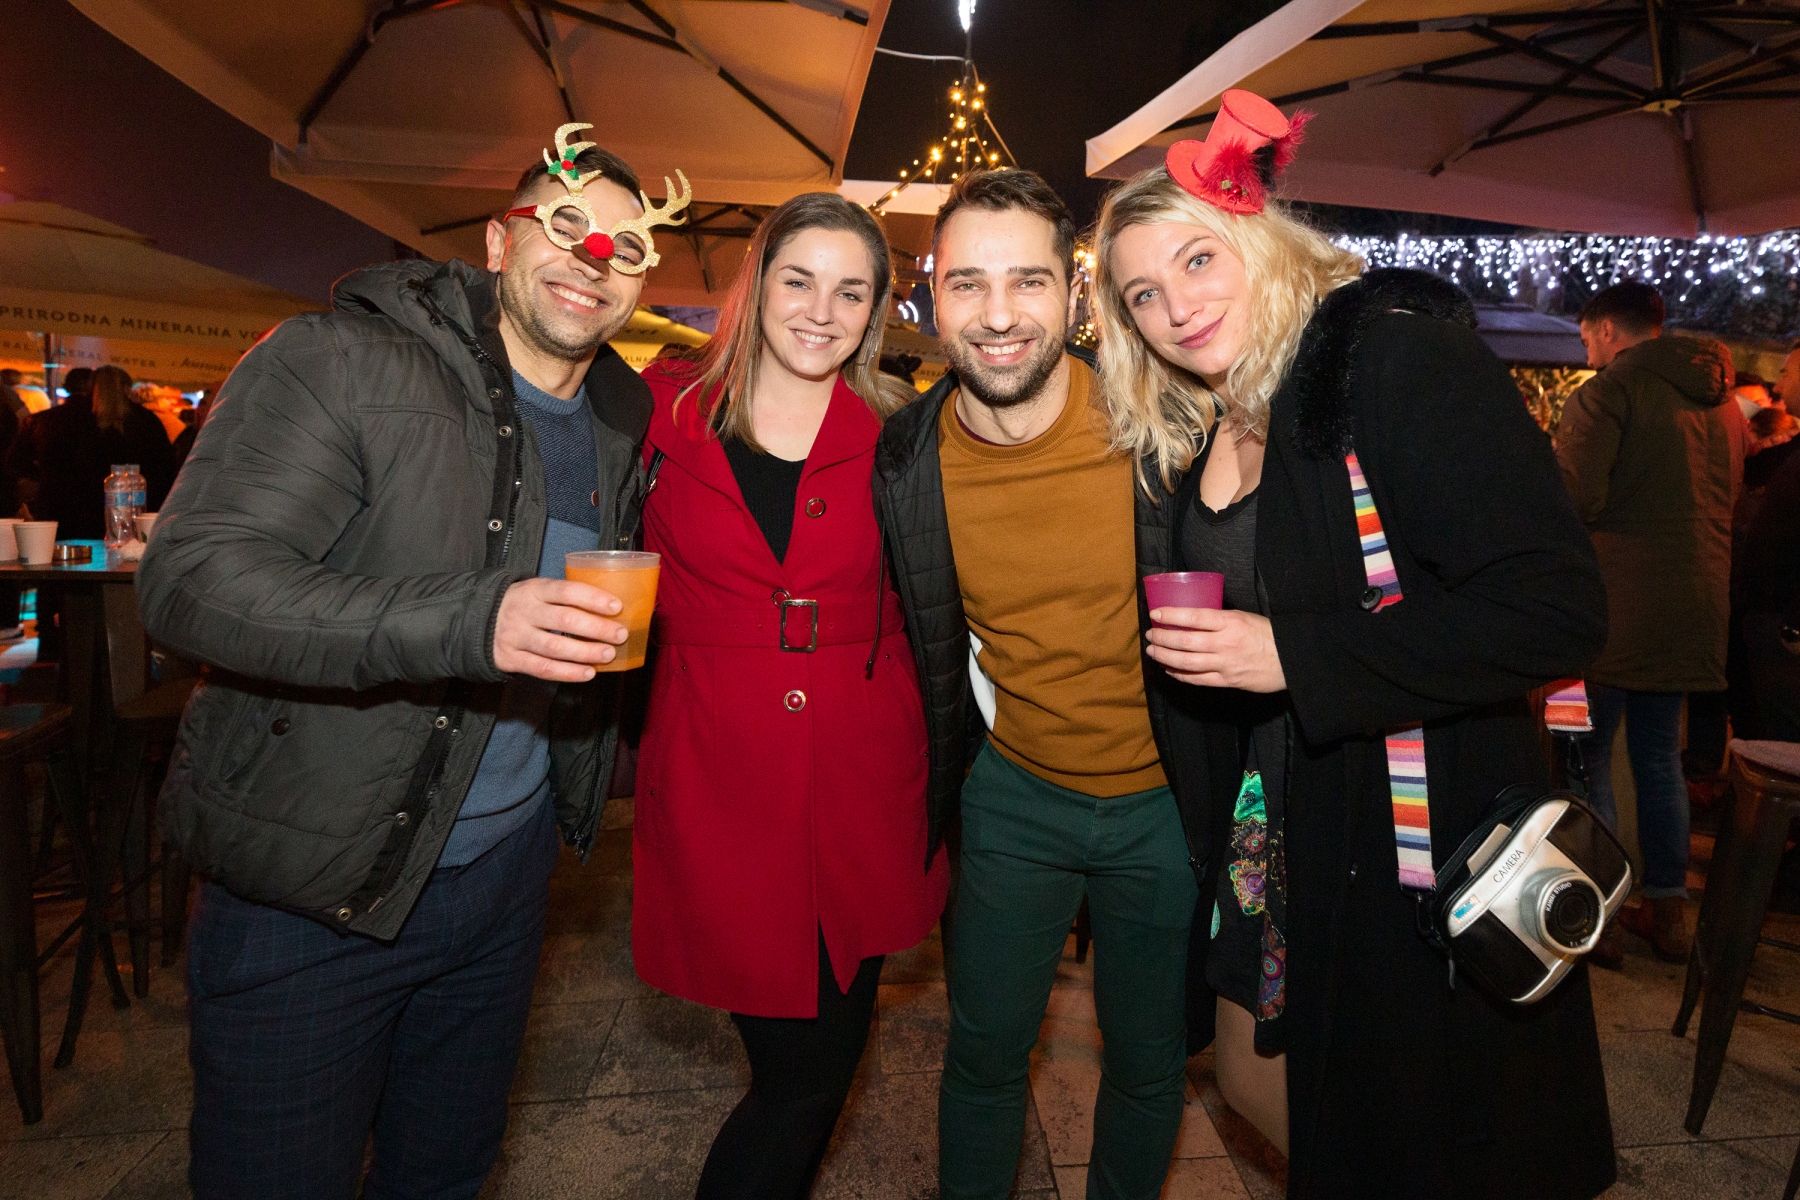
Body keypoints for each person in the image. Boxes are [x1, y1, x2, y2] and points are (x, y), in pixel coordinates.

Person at [137, 123, 692, 1199]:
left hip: (503, 884)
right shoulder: (339, 359)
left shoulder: (620, 419)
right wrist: (469, 619)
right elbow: (191, 581)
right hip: (314, 893)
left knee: (445, 1177)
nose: (593, 257)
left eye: (626, 247)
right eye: (565, 223)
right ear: (497, 240)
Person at [1090, 90, 1614, 1198]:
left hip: (1397, 832)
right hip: (1267, 826)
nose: (1176, 307)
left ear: (1258, 237)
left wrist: (1296, 657)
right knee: (1253, 1082)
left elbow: (1556, 605)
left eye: (1196, 259)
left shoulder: (1390, 360)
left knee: (1397, 1129)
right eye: (1142, 294)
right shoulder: (1217, 419)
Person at [875, 168, 1199, 1200]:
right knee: (981, 1056)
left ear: (1074, 291)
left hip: (1170, 805)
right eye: (968, 283)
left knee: (1149, 1063)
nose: (1001, 314)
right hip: (1012, 799)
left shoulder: (1164, 422)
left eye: (1028, 280)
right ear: (931, 295)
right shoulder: (906, 456)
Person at [631, 193, 945, 1199]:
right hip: (716, 775)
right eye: (799, 280)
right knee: (796, 1078)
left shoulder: (905, 432)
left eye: (851, 291)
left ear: (877, 308)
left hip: (862, 785)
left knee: (816, 1071)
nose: (821, 310)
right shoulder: (656, 414)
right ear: (756, 284)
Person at [1556, 281, 1743, 963]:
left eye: (1586, 339)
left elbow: (1573, 497)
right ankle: (1668, 911)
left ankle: (1597, 911)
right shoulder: (1723, 404)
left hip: (1609, 608)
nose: (1587, 353)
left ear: (1607, 329)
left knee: (1584, 756)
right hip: (1694, 606)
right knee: (1660, 756)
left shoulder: (1610, 392)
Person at [7, 363, 174, 537]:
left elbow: (16, 464)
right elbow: (165, 473)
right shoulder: (147, 423)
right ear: (127, 388)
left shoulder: (47, 421)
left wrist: (44, 480)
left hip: (62, 518)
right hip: (127, 522)